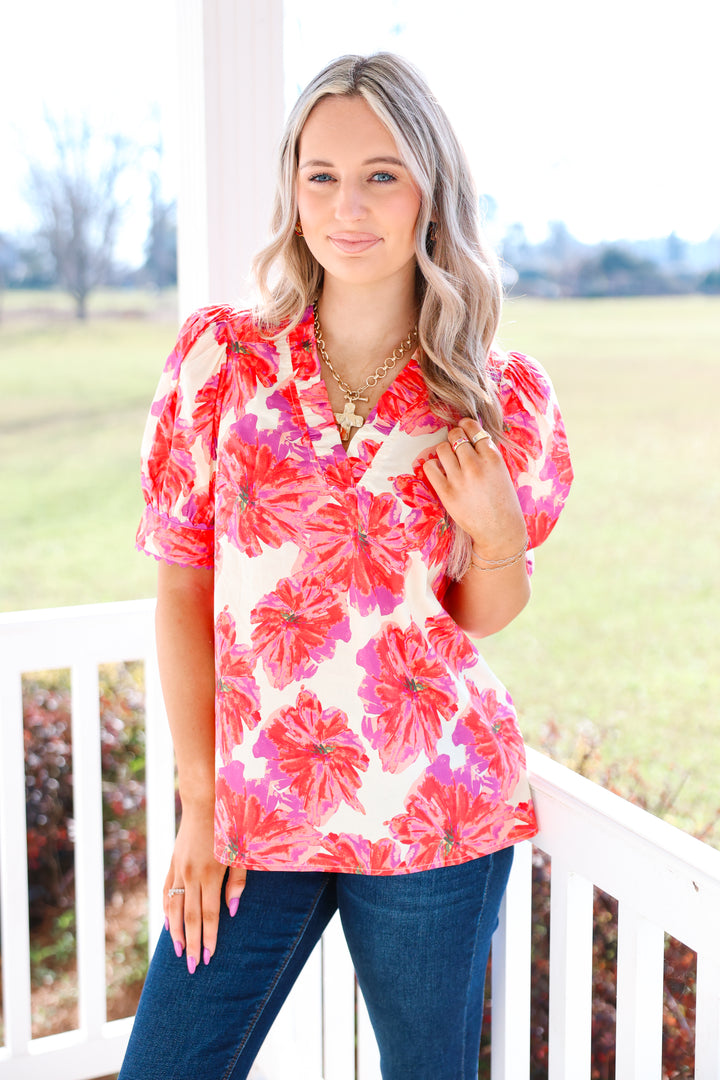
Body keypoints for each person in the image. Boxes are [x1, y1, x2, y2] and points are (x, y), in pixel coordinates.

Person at [120, 52, 572, 1080]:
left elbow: (479, 615)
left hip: (435, 805)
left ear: (430, 191)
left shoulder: (494, 391)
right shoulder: (220, 361)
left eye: (382, 173)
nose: (348, 205)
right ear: (291, 189)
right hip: (251, 811)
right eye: (320, 175)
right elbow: (184, 585)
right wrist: (200, 802)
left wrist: (498, 531)